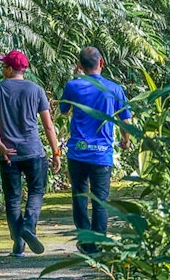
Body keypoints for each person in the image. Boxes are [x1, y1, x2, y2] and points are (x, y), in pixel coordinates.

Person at [0, 50, 61, 257]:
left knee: (12, 199)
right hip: (33, 151)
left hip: (9, 154)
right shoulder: (36, 90)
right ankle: (29, 226)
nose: (2, 70)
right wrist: (56, 152)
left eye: (3, 66)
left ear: (10, 69)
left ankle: (18, 244)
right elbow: (48, 126)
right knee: (36, 192)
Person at [60, 46, 131, 254]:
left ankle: (85, 239)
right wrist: (125, 141)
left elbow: (64, 112)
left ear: (80, 65)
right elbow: (125, 119)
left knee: (79, 196)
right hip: (102, 154)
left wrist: (77, 78)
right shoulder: (115, 89)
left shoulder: (73, 86)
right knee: (101, 200)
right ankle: (98, 241)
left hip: (78, 153)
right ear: (102, 63)